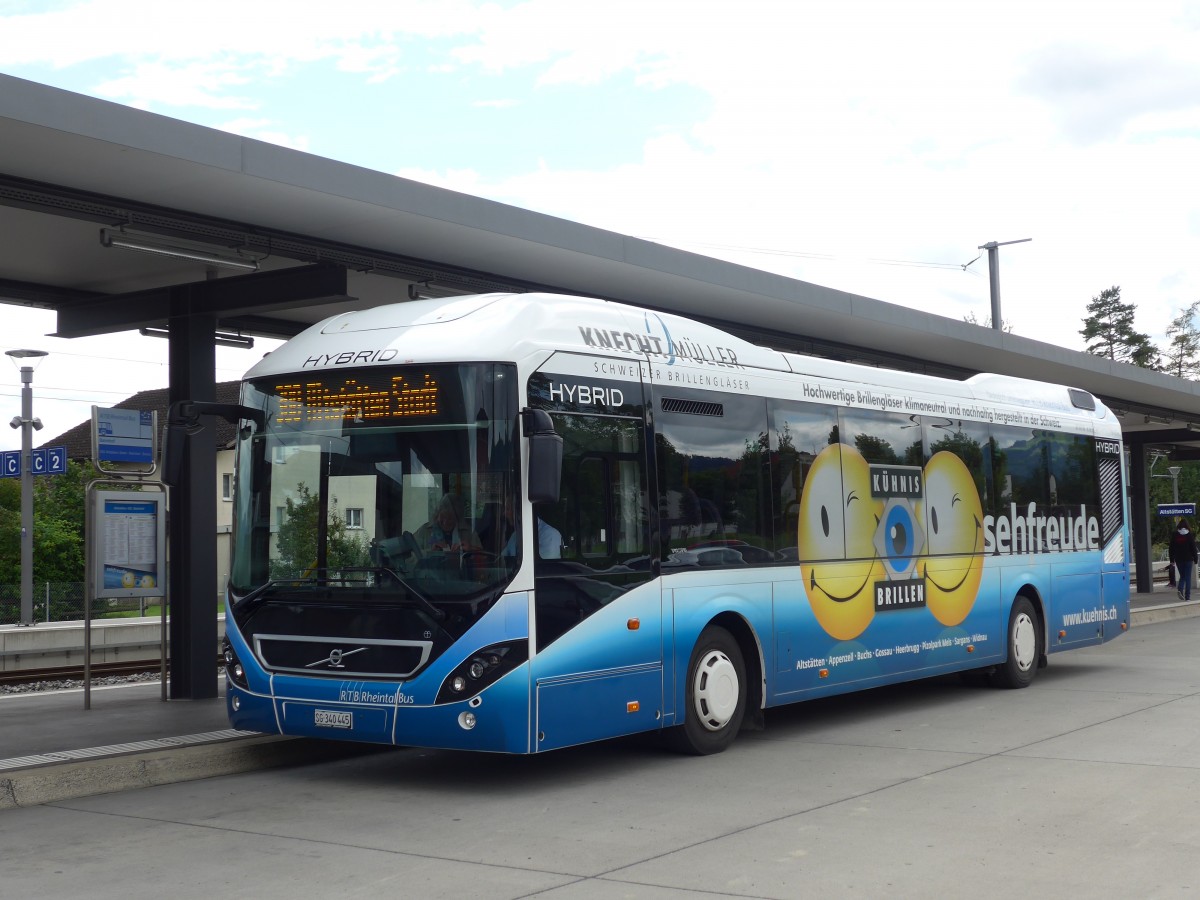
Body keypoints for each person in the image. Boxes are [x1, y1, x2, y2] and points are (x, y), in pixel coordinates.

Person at [414, 493, 481, 554]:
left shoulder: (468, 532)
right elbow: (408, 557)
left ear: (457, 518)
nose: (445, 522)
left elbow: (484, 557)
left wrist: (470, 549)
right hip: (431, 567)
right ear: (437, 514)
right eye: (442, 517)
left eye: (450, 518)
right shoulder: (425, 530)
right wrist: (430, 552)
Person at [501, 495, 562, 559]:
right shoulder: (515, 535)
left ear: (519, 510)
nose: (504, 513)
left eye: (507, 509)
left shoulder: (550, 535)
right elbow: (502, 561)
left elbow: (545, 567)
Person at [1169, 518, 1198, 601]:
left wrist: (1171, 560)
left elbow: (1171, 548)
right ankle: (1187, 597)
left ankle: (1180, 589)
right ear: (1187, 526)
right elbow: (1193, 548)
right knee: (1187, 577)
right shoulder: (1189, 535)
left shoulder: (1175, 535)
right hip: (1188, 559)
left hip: (1178, 559)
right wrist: (1196, 559)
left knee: (1183, 576)